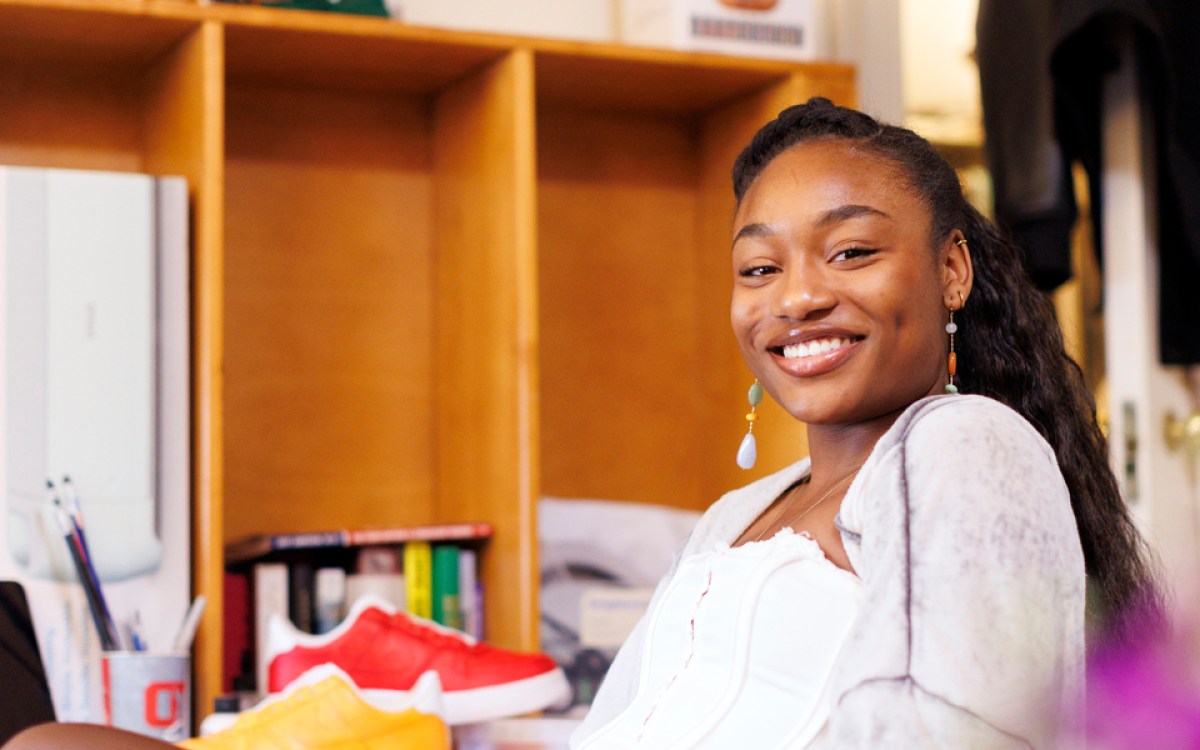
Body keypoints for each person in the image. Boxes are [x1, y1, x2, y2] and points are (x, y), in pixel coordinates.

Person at [568, 97, 1158, 749]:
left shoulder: (967, 448)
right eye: (761, 268)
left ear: (951, 270)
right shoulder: (733, 517)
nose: (796, 298)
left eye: (850, 252)